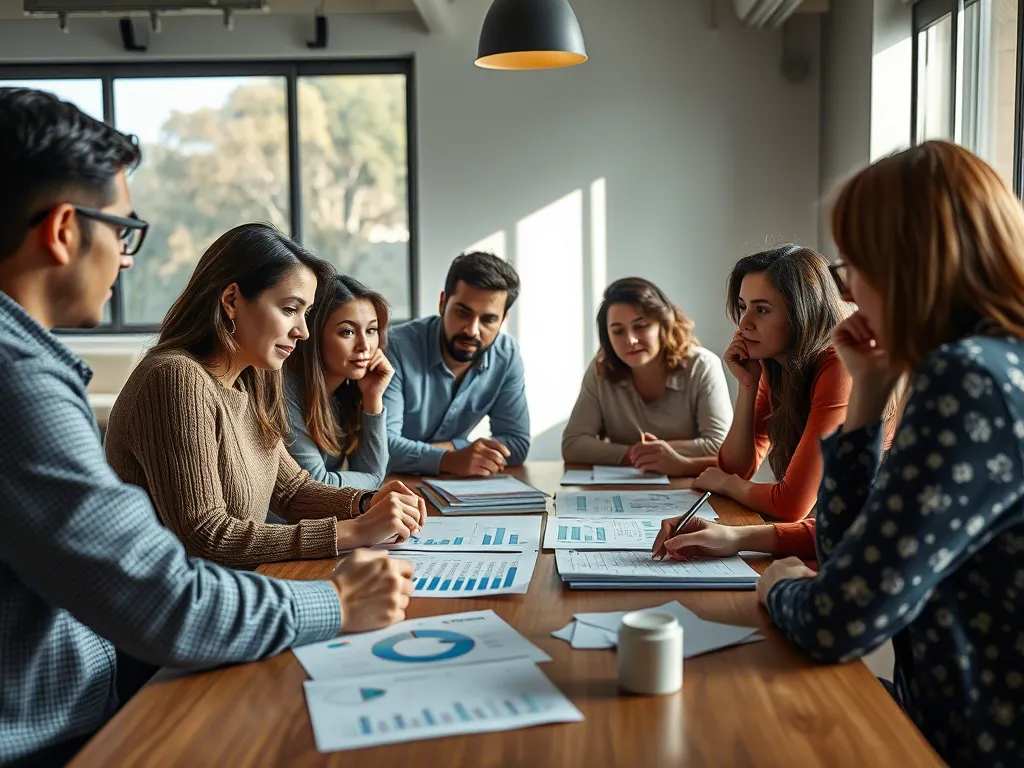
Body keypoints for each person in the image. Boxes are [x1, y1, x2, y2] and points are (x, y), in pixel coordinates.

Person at [0, 88, 413, 768]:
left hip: (88, 695)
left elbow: (290, 486)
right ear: (64, 229)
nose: (127, 259)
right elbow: (175, 578)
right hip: (60, 729)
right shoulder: (39, 380)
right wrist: (335, 595)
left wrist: (364, 504)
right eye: (123, 231)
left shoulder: (244, 380)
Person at [666, 142, 1024, 768]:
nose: (849, 285)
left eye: (856, 261)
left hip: (966, 742)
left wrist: (777, 586)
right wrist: (871, 398)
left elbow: (839, 618)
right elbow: (844, 546)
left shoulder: (967, 380)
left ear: (910, 262)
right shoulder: (993, 364)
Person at [104, 224, 427, 569]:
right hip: (167, 609)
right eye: (290, 309)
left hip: (233, 587)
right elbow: (206, 535)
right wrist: (353, 530)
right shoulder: (176, 377)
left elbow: (292, 492)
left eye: (306, 314)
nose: (303, 331)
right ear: (231, 301)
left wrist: (366, 502)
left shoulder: (254, 378)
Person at [689, 245, 851, 521]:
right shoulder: (775, 366)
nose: (744, 323)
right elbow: (736, 468)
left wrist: (729, 486)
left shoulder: (839, 366)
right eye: (742, 307)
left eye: (762, 310)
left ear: (803, 312)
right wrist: (747, 385)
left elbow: (790, 504)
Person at [561, 277, 732, 473]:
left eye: (640, 326)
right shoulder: (601, 368)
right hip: (627, 489)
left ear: (663, 324)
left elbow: (720, 446)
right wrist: (634, 455)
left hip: (690, 486)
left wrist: (662, 455)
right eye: (618, 331)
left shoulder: (702, 366)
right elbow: (573, 444)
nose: (630, 340)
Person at [383, 251, 530, 476]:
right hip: (392, 487)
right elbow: (384, 449)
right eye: (463, 312)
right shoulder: (396, 348)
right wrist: (451, 459)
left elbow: (517, 444)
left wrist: (454, 452)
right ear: (443, 303)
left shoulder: (507, 355)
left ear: (503, 319)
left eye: (488, 319)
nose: (471, 330)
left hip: (454, 489)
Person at [284, 273, 391, 490]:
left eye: (371, 330)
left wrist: (373, 398)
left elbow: (371, 471)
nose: (365, 345)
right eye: (348, 332)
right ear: (314, 335)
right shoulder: (285, 389)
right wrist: (372, 478)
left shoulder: (345, 393)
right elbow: (315, 485)